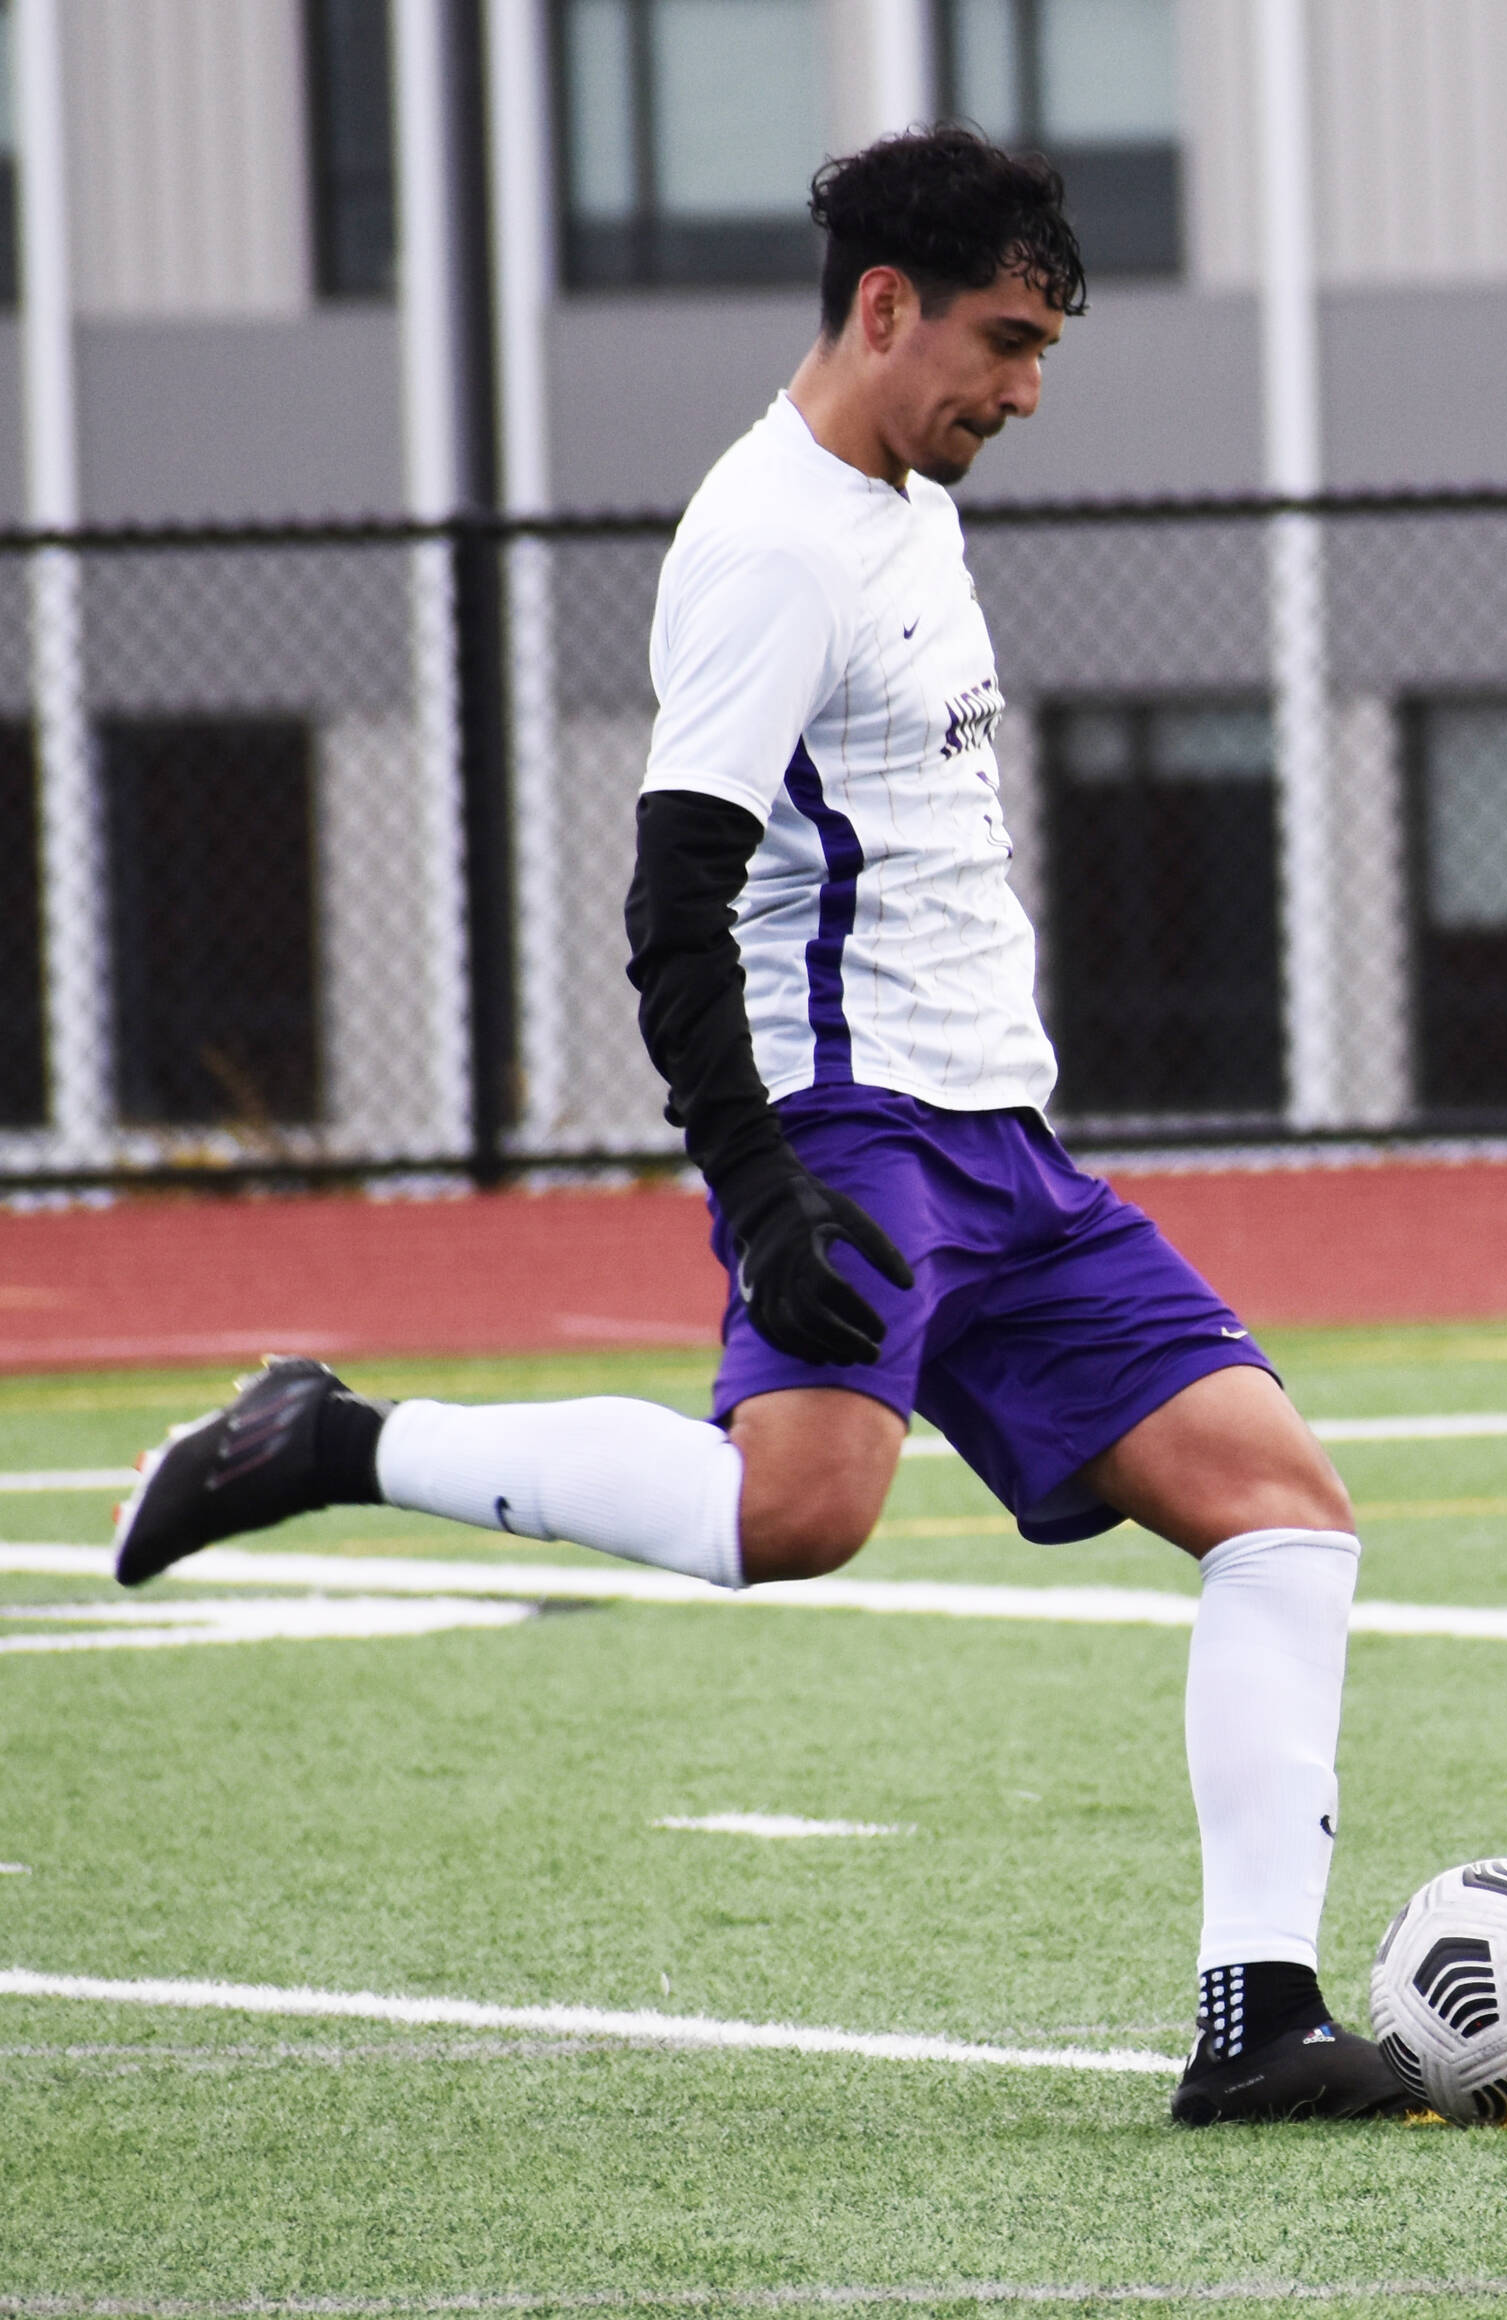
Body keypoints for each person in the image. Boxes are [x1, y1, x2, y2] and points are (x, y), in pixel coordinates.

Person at [112, 127, 1405, 2129]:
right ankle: (328, 1439)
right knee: (791, 1517)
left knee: (1284, 1515)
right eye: (1003, 341)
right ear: (884, 307)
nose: (1025, 391)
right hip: (851, 1127)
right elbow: (672, 904)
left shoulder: (907, 501)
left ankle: (1257, 2018)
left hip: (1005, 1138)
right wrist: (763, 1184)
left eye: (1043, 348)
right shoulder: (770, 543)